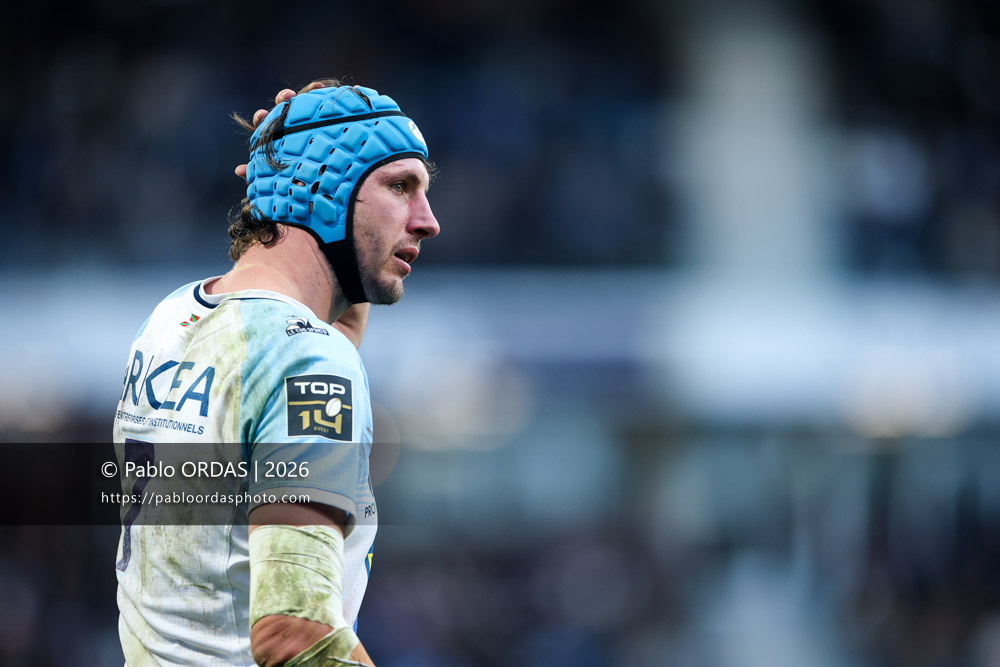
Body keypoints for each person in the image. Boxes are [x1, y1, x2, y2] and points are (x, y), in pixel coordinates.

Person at [112, 79, 440, 666]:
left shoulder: (174, 318)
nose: (427, 220)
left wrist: (292, 169)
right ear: (325, 190)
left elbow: (311, 332)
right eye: (400, 186)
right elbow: (294, 633)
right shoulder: (310, 361)